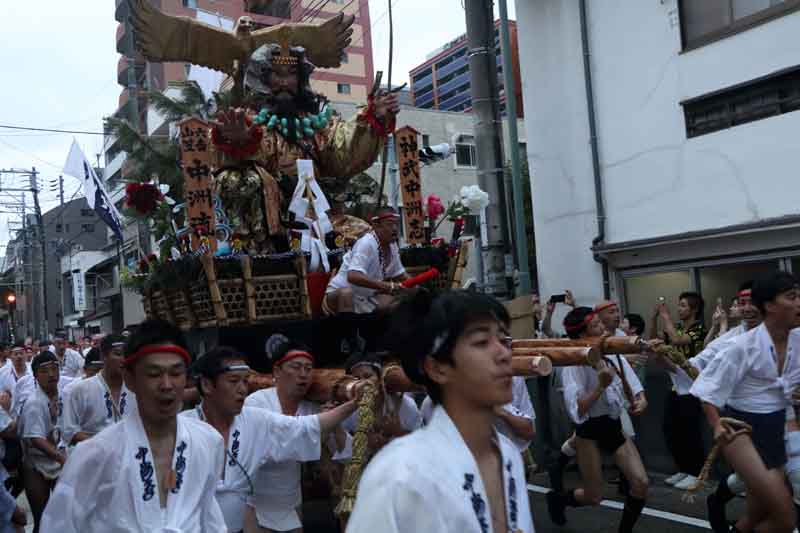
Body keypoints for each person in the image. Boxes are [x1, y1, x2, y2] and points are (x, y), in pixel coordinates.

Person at [346, 290, 536, 532]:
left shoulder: (508, 456)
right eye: (481, 342)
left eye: (504, 340)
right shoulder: (399, 471)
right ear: (437, 368)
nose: (503, 354)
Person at [40, 319, 227, 532]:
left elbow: (210, 518)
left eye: (176, 373)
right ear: (129, 378)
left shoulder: (208, 442)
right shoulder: (95, 455)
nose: (167, 385)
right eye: (154, 374)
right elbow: (59, 525)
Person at [183, 346, 357, 533]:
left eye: (245, 381)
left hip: (276, 509)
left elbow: (306, 427)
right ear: (207, 385)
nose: (242, 389)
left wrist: (353, 404)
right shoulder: (183, 427)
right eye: (233, 381)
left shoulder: (255, 420)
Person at [691, 272, 800, 533]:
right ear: (769, 306)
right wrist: (717, 425)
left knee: (755, 516)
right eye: (792, 297)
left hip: (780, 426)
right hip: (740, 430)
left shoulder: (798, 340)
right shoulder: (740, 346)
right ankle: (718, 500)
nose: (799, 303)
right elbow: (707, 392)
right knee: (785, 518)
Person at [546, 307, 649, 533]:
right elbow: (578, 410)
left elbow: (632, 383)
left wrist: (641, 399)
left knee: (641, 483)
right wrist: (600, 387)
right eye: (595, 326)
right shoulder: (573, 363)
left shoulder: (611, 351)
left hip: (613, 426)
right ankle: (558, 500)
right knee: (594, 497)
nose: (603, 327)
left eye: (601, 323)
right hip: (589, 431)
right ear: (582, 334)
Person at [244, 336, 352, 533]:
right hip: (254, 504)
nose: (303, 374)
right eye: (296, 367)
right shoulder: (256, 403)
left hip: (291, 505)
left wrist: (334, 424)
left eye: (308, 369)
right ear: (277, 371)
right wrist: (319, 425)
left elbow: (348, 454)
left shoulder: (312, 408)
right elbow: (281, 442)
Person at [651, 291, 707, 490]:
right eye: (679, 305)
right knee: (671, 429)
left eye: (683, 305)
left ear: (695, 309)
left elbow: (676, 340)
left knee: (691, 432)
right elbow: (654, 340)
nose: (679, 309)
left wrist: (665, 316)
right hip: (675, 384)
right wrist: (654, 318)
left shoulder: (699, 328)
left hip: (693, 385)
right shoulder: (676, 327)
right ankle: (684, 468)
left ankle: (697, 473)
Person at [324, 207, 409, 315]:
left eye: (396, 224)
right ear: (376, 225)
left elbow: (400, 275)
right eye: (389, 224)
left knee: (397, 300)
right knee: (346, 294)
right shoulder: (366, 243)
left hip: (365, 297)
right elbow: (353, 276)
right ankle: (347, 326)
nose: (395, 229)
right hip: (339, 295)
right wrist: (386, 286)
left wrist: (417, 287)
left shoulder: (392, 246)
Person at [61, 334, 135, 448]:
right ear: (103, 356)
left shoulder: (136, 389)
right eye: (118, 354)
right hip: (92, 454)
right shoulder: (80, 390)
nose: (124, 359)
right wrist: (102, 445)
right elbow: (69, 431)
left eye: (127, 355)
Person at [342, 352, 422, 456]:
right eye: (356, 379)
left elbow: (421, 445)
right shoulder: (348, 410)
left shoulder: (406, 405)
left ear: (380, 379)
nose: (363, 383)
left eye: (367, 376)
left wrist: (398, 431)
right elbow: (339, 445)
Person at [19, 351, 64, 533]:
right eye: (45, 371)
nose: (51, 374)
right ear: (36, 376)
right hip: (36, 465)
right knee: (42, 520)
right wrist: (63, 458)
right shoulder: (34, 402)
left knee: (65, 516)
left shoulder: (65, 394)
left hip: (59, 460)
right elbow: (36, 439)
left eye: (54, 368)